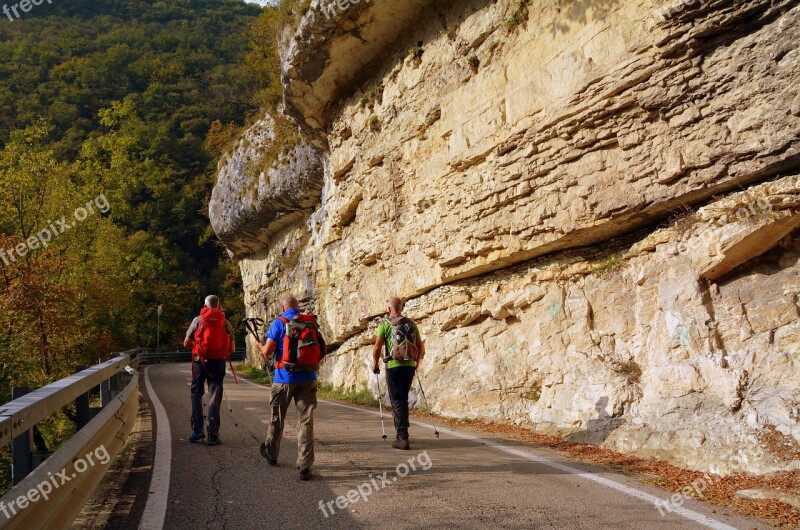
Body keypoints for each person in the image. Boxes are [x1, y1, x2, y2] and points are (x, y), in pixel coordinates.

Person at [257, 295, 326, 481]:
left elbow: (268, 351)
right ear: (297, 307)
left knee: (277, 418)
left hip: (284, 379)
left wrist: (260, 347)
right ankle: (305, 465)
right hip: (308, 377)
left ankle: (271, 454)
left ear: (282, 307)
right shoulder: (310, 323)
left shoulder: (279, 323)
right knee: (306, 422)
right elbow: (321, 349)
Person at [372, 297, 425, 450]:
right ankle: (403, 431)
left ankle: (402, 438)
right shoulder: (411, 323)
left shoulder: (384, 324)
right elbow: (420, 345)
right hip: (409, 365)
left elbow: (377, 347)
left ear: (389, 309)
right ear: (401, 307)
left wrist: (375, 364)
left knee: (396, 400)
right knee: (403, 398)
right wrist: (417, 363)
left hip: (393, 366)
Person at [183, 295, 235, 446]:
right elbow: (232, 349)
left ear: (204, 306)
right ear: (219, 306)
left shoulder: (198, 320)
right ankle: (212, 435)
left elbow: (186, 343)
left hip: (200, 362)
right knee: (214, 396)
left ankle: (198, 431)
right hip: (218, 363)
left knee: (196, 394)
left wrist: (198, 346)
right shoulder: (225, 322)